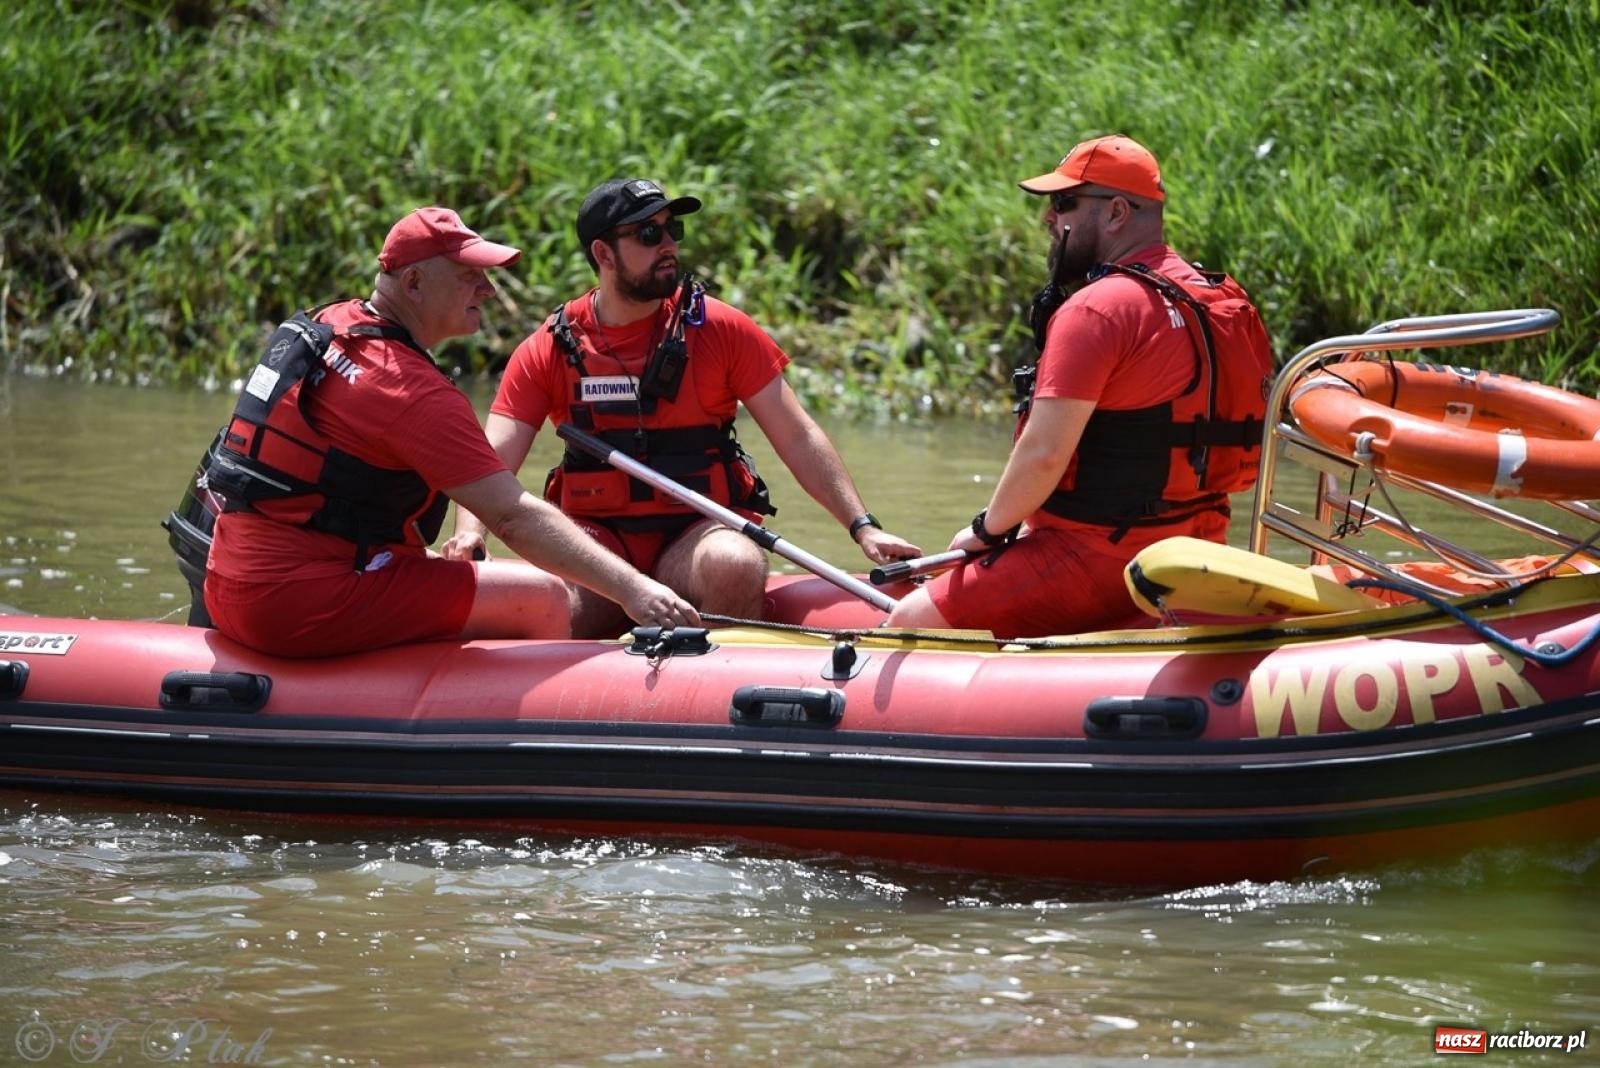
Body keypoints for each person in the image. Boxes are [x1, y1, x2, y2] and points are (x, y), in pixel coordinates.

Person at [201, 206, 699, 657]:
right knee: (542, 598)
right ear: (414, 284)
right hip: (299, 603)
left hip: (230, 580)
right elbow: (511, 517)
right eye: (470, 277)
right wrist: (635, 589)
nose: (488, 289)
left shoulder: (333, 323)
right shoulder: (408, 390)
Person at [444, 178, 920, 637]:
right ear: (603, 254)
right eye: (649, 234)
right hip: (599, 541)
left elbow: (797, 436)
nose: (668, 244)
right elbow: (492, 460)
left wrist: (862, 528)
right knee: (547, 605)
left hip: (696, 534)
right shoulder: (551, 346)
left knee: (734, 562)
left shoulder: (721, 329)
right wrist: (469, 532)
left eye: (674, 230)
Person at [886, 135, 1274, 637]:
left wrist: (985, 532)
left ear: (1115, 212)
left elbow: (1044, 454)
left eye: (1063, 203)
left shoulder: (1099, 309)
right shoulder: (1221, 299)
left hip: (1096, 558)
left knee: (907, 623)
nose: (1049, 219)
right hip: (1194, 552)